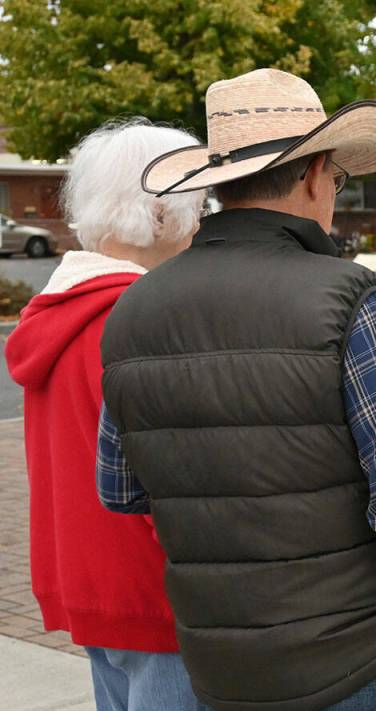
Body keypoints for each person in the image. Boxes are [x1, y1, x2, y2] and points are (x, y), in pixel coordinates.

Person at [96, 69, 376, 711]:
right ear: (313, 173)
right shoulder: (347, 295)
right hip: (357, 650)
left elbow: (120, 488)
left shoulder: (135, 307)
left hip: (220, 664)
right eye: (338, 178)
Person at [4, 120, 207, 709]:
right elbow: (166, 487)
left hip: (89, 585)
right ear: (163, 215)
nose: (201, 222)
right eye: (196, 204)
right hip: (157, 597)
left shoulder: (57, 316)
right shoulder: (139, 320)